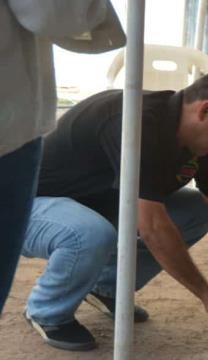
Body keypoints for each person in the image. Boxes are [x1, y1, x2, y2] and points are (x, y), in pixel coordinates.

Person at [21, 70, 208, 351]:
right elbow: (152, 227)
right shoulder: (138, 123)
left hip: (91, 205)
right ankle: (47, 310)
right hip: (29, 206)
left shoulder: (200, 147)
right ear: (205, 110)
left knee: (197, 210)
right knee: (92, 233)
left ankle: (106, 287)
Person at [0, 0, 125, 317]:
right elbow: (56, 12)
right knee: (92, 235)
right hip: (8, 130)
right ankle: (47, 311)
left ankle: (100, 288)